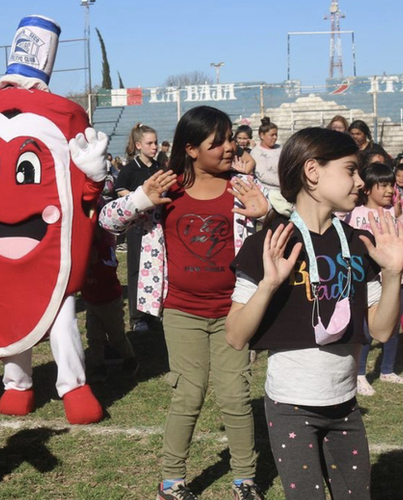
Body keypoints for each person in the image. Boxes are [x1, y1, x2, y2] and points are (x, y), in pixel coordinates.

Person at [226, 127, 403, 500]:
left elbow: (383, 331)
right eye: (351, 170)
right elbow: (235, 335)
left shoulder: (359, 243)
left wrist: (392, 275)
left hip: (345, 405)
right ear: (313, 172)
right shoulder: (270, 243)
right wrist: (269, 285)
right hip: (290, 407)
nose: (360, 181)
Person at [100, 106, 268, 500]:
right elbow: (107, 221)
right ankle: (171, 482)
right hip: (181, 310)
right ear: (191, 148)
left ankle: (245, 478)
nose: (230, 147)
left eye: (231, 138)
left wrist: (267, 215)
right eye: (219, 142)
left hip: (235, 309)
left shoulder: (242, 184)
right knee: (188, 394)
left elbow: (276, 229)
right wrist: (142, 198)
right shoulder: (165, 187)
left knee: (235, 394)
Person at [344, 163, 403, 396]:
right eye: (382, 185)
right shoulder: (354, 212)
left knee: (392, 326)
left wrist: (400, 216)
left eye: (391, 185)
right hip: (367, 282)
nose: (389, 190)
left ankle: (387, 370)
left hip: (394, 280)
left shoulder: (395, 212)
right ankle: (360, 374)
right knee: (365, 328)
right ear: (368, 188)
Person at [115, 123, 163, 332]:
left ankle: (153, 311)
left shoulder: (159, 167)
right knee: (136, 269)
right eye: (150, 143)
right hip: (136, 227)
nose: (154, 147)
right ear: (138, 145)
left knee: (155, 268)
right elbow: (119, 189)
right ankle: (137, 317)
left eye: (156, 143)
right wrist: (140, 200)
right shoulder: (130, 168)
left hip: (157, 226)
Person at [81, 216, 137, 382]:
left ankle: (130, 359)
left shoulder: (105, 247)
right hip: (90, 302)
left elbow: (111, 268)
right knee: (94, 336)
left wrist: (95, 263)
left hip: (109, 301)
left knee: (116, 335)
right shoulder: (80, 251)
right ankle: (98, 366)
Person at [250, 117, 282, 191]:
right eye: (272, 135)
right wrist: (284, 182)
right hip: (269, 191)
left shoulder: (281, 148)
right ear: (262, 135)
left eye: (276, 135)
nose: (275, 137)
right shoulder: (257, 153)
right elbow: (263, 175)